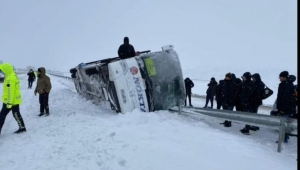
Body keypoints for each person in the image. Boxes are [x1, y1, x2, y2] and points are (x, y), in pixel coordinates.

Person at [0, 63, 26, 135]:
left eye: (2, 70)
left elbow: (10, 92)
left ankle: (22, 127)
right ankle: (22, 127)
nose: (2, 71)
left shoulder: (9, 79)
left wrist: (8, 103)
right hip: (15, 101)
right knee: (16, 115)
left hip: (9, 102)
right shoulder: (12, 75)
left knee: (1, 116)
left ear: (6, 69)